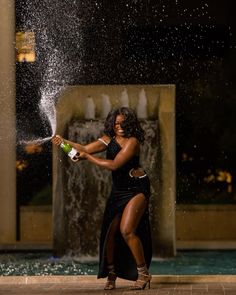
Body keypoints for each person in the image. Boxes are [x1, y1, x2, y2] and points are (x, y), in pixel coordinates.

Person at [52, 107, 152, 290]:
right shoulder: (108, 139)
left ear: (130, 124)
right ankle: (112, 273)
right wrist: (62, 141)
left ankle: (143, 274)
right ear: (111, 125)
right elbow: (83, 148)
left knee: (127, 230)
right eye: (116, 124)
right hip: (119, 190)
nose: (120, 127)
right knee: (109, 233)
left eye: (123, 123)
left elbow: (114, 165)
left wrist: (88, 158)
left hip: (137, 187)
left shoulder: (132, 142)